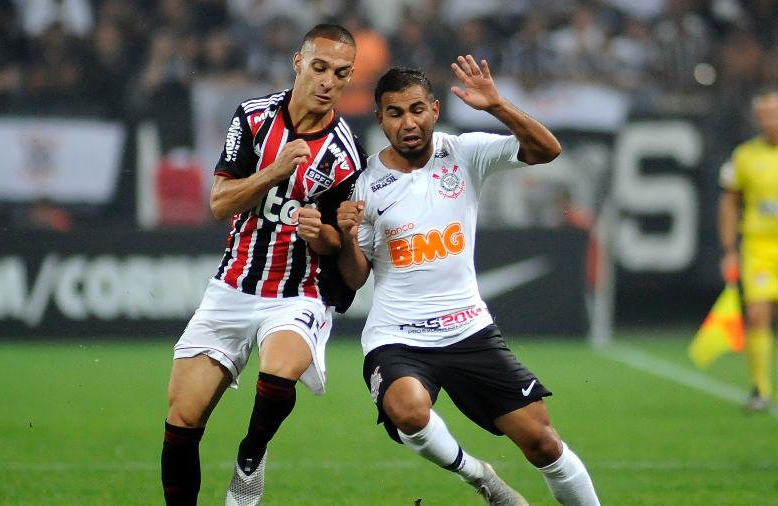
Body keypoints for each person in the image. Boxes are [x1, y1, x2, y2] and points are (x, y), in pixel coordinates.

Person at [337, 61, 600, 505]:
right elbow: (355, 277)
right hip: (398, 336)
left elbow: (547, 150)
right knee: (408, 411)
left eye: (417, 109)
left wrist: (497, 105)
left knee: (543, 443)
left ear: (435, 110)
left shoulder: (464, 151)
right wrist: (345, 238)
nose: (409, 122)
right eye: (395, 113)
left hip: (469, 329)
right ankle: (482, 479)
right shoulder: (364, 184)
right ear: (379, 119)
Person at [161, 24, 366, 506]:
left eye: (340, 74)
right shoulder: (253, 118)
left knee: (279, 369)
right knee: (182, 418)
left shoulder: (345, 153)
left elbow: (342, 249)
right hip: (232, 285)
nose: (327, 82)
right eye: (319, 68)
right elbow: (219, 202)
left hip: (297, 292)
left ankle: (250, 458)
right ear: (298, 62)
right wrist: (275, 171)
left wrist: (328, 234)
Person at [718, 89, 778, 412]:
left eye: (773, 112)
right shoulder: (745, 156)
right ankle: (761, 388)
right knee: (757, 313)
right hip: (759, 246)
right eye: (762, 114)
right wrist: (729, 248)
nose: (767, 119)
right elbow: (729, 203)